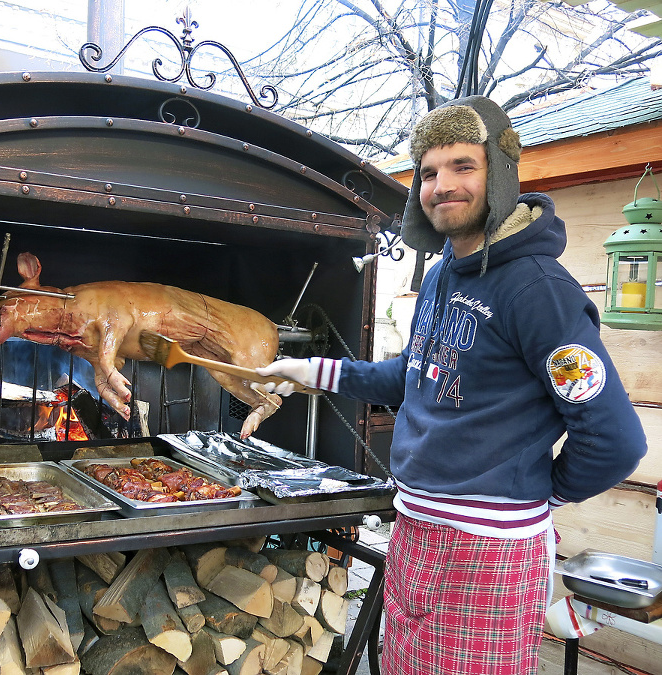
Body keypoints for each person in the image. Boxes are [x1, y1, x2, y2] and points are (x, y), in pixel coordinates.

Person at [257, 95, 647, 674]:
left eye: (464, 166)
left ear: (501, 172)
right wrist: (309, 372)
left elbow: (616, 440)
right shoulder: (442, 273)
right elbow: (412, 376)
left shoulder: (538, 290)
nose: (443, 185)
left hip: (489, 551)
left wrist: (536, 492)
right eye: (430, 171)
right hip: (416, 528)